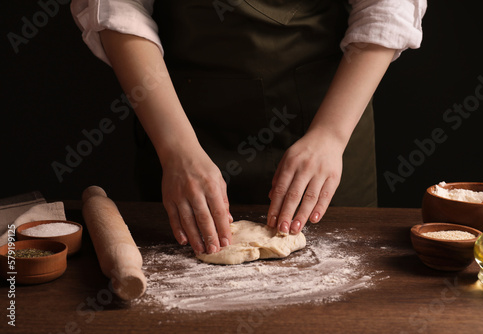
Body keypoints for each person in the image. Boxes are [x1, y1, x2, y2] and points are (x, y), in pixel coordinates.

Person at [71, 0, 426, 255]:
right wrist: (176, 148)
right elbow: (119, 8)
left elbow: (387, 7)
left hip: (326, 123)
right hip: (178, 120)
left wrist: (331, 134)